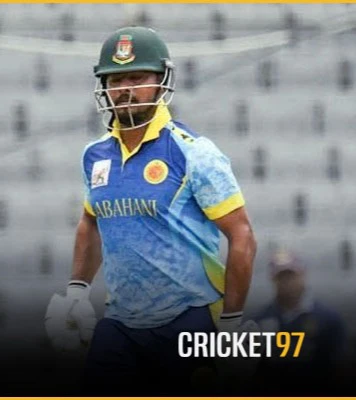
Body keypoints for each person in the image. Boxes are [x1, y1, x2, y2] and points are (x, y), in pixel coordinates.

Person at [44, 26, 257, 394]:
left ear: (161, 82)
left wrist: (231, 321)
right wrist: (77, 291)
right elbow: (91, 222)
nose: (125, 89)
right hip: (120, 322)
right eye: (116, 80)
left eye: (137, 78)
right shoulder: (95, 155)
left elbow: (242, 236)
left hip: (189, 317)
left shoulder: (193, 152)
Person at [254, 249, 348, 394]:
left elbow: (339, 366)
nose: (287, 282)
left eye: (291, 276)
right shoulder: (260, 321)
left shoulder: (328, 320)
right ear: (273, 280)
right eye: (282, 277)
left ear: (302, 275)